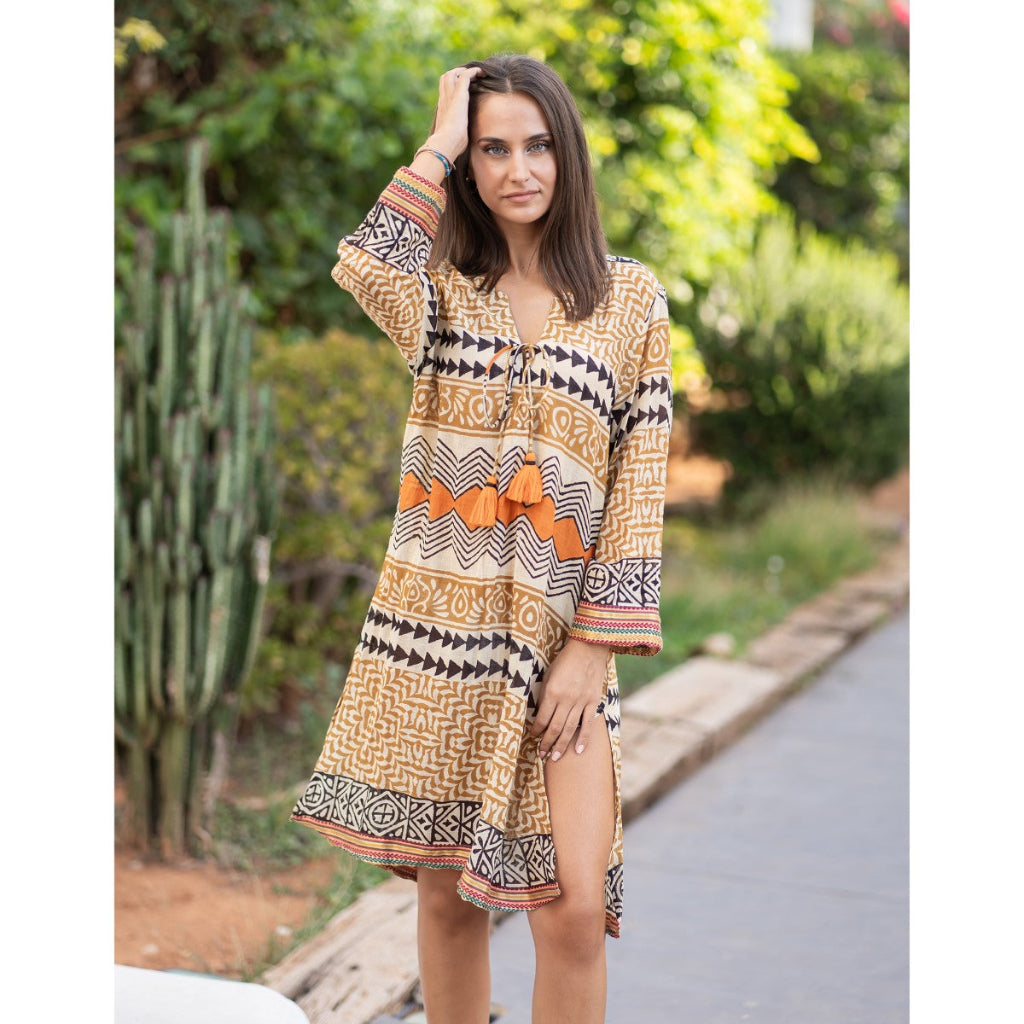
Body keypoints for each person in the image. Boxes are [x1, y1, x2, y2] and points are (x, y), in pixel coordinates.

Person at [291, 53, 673, 1024]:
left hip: (559, 649)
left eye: (537, 145)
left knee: (572, 909)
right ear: (470, 165)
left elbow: (639, 486)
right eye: (493, 149)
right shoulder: (440, 292)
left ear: (567, 153)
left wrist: (591, 649)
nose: (518, 169)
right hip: (435, 637)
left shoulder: (630, 300)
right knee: (445, 895)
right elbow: (364, 261)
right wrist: (439, 138)